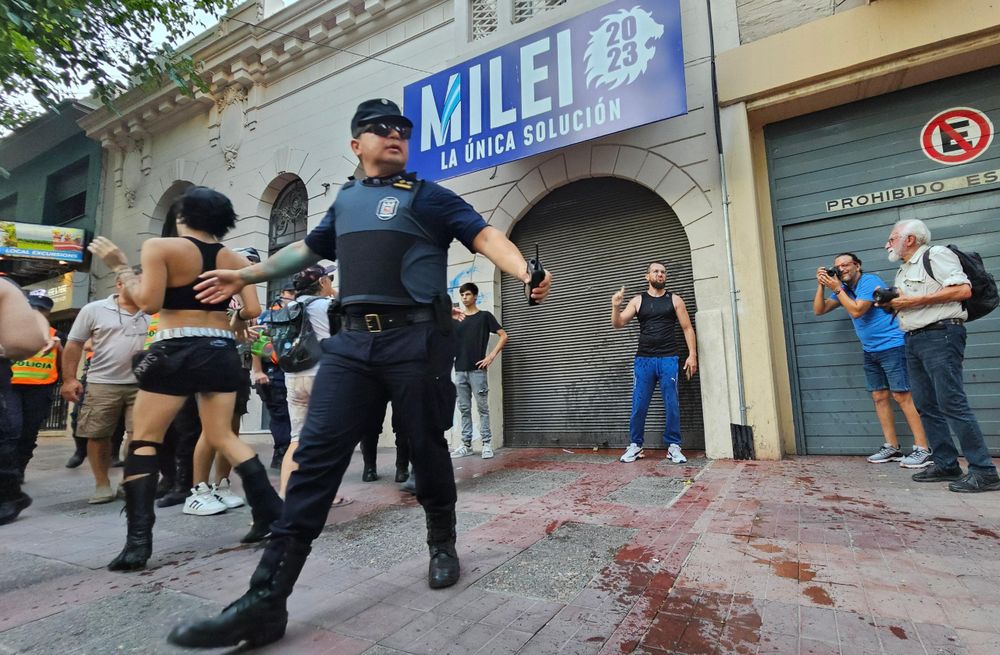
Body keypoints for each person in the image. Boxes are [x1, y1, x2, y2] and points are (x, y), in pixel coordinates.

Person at [166, 98, 551, 649]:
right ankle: (265, 601)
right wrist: (244, 275)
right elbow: (303, 250)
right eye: (379, 129)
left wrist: (523, 271)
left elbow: (484, 236)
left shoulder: (429, 196)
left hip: (416, 341)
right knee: (316, 457)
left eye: (402, 129)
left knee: (426, 445)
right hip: (350, 344)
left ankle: (442, 540)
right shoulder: (344, 201)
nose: (394, 135)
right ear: (357, 144)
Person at [86, 185, 282, 572]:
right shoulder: (236, 258)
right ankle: (269, 512)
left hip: (175, 348)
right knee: (223, 435)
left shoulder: (161, 248)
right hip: (222, 350)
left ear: (182, 216)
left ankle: (138, 543)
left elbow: (149, 302)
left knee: (144, 439)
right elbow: (253, 309)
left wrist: (120, 265)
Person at [881, 219, 999, 492]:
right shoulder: (903, 270)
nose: (888, 243)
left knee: (952, 403)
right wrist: (891, 305)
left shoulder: (936, 255)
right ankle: (946, 463)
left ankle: (984, 471)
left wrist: (910, 301)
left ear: (909, 239)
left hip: (941, 336)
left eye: (892, 237)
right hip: (913, 339)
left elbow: (962, 290)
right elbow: (913, 303)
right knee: (926, 405)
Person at [813, 253, 931, 467]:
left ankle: (923, 449)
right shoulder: (844, 289)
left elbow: (857, 311)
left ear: (857, 266)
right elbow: (819, 310)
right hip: (871, 350)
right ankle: (892, 447)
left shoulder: (869, 282)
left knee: (902, 396)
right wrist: (822, 285)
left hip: (893, 346)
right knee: (879, 396)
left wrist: (836, 288)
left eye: (846, 265)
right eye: (837, 266)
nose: (841, 269)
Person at [61, 269, 150, 504]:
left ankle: (127, 481)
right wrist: (69, 379)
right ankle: (102, 484)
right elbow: (74, 344)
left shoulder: (153, 311)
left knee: (139, 436)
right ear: (119, 284)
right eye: (136, 284)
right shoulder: (94, 309)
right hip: (102, 383)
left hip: (143, 385)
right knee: (98, 435)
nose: (142, 289)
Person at [275, 264, 352, 508]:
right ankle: (322, 495)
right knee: (326, 441)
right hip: (322, 377)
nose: (331, 282)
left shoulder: (289, 307)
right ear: (321, 283)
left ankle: (285, 496)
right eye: (328, 279)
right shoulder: (327, 306)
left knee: (297, 439)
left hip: (294, 377)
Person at [612, 262, 697, 464]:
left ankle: (674, 447)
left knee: (671, 403)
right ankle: (635, 445)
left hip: (669, 358)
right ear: (647, 276)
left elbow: (687, 328)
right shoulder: (638, 300)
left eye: (663, 272)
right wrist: (615, 307)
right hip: (644, 360)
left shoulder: (675, 300)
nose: (660, 274)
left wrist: (692, 355)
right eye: (656, 271)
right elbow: (618, 323)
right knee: (639, 404)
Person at [0, 278, 50, 525]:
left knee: (14, 434)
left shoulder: (6, 290)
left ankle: (10, 491)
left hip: (35, 388)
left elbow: (30, 340)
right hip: (14, 383)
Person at [449, 282, 507, 460]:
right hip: (459, 370)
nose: (464, 298)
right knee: (464, 409)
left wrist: (490, 357)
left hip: (477, 371)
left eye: (467, 294)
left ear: (475, 296)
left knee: (483, 409)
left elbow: (504, 335)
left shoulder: (484, 317)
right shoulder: (457, 319)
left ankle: (486, 444)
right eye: (462, 295)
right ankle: (466, 445)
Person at [10, 291, 62, 480]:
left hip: (40, 389)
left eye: (42, 308)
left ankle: (18, 470)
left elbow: (65, 360)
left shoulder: (56, 336)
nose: (36, 311)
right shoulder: (8, 328)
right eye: (33, 306)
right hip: (11, 388)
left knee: (28, 432)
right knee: (11, 429)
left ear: (48, 312)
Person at [252, 287, 294, 469]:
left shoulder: (300, 312)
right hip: (275, 371)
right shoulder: (269, 316)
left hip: (290, 370)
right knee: (280, 414)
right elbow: (257, 343)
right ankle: (282, 453)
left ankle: (286, 453)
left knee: (287, 415)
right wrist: (258, 371)